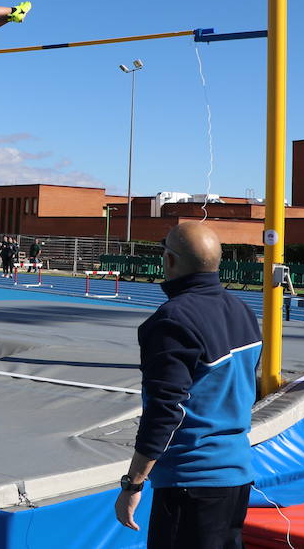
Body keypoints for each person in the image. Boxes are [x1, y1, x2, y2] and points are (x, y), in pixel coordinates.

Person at [114, 223, 261, 548]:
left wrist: (133, 484)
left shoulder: (171, 321)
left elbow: (164, 411)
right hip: (236, 476)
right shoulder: (243, 312)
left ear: (169, 260)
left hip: (192, 483)